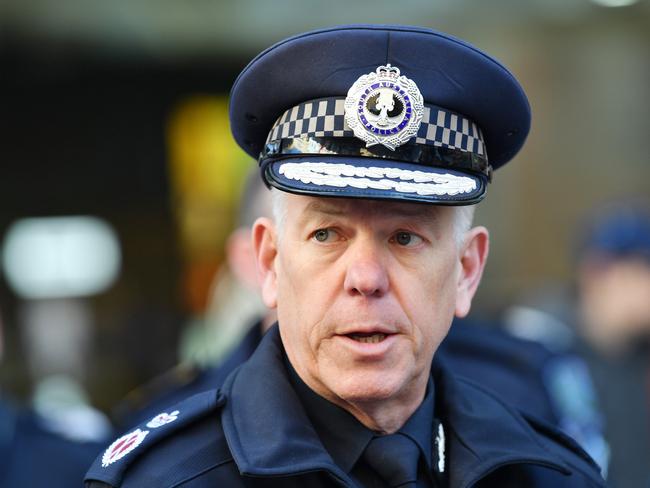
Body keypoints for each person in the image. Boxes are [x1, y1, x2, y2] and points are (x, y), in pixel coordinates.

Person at [86, 25, 604, 487]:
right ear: (268, 262)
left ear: (467, 270)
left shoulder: (546, 473)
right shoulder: (163, 479)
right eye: (327, 235)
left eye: (404, 238)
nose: (365, 277)